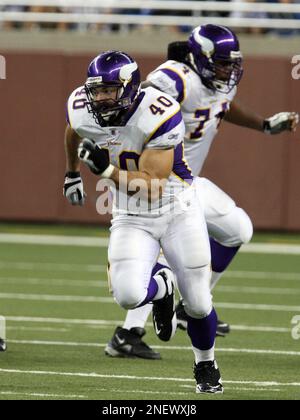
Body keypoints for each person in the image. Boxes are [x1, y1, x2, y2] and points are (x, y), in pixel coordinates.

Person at [104, 24, 299, 360]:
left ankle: (186, 309)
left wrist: (265, 125)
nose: (229, 70)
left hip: (186, 183)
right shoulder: (176, 78)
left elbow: (222, 106)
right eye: (222, 63)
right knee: (163, 252)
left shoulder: (218, 84)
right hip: (157, 185)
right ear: (200, 59)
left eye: (231, 63)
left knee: (237, 229)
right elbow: (141, 102)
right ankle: (129, 331)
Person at [64, 50, 223, 394]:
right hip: (129, 213)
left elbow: (152, 185)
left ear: (131, 87)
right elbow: (74, 129)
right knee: (127, 295)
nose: (101, 97)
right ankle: (162, 286)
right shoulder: (81, 106)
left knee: (197, 301)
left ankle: (206, 364)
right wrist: (71, 172)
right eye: (97, 89)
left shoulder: (159, 111)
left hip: (176, 206)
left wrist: (104, 170)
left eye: (110, 89)